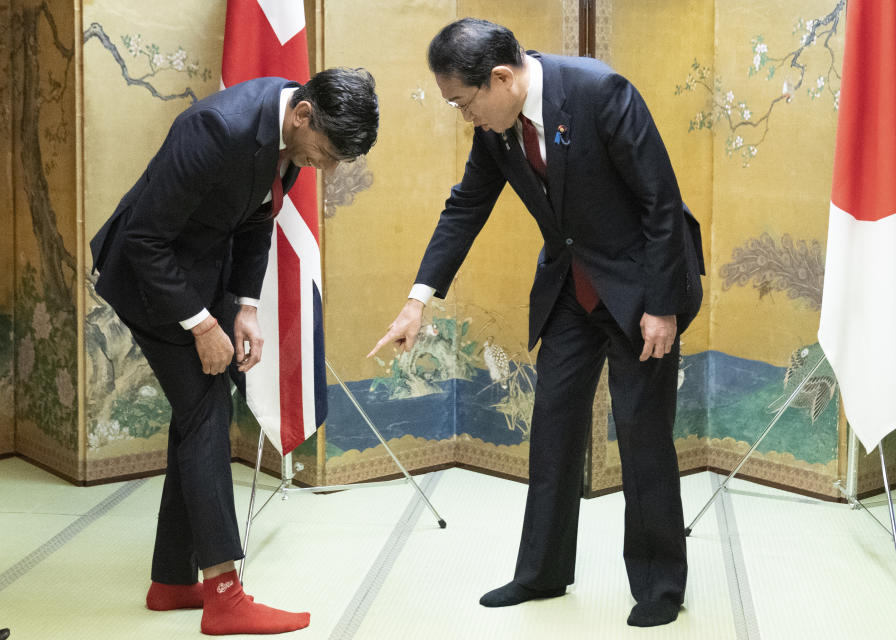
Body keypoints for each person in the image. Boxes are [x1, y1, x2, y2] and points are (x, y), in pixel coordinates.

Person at [368, 19, 703, 628]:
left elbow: (661, 200)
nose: (464, 117)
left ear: (501, 78)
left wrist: (662, 306)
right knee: (550, 425)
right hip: (570, 287)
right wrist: (418, 300)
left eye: (464, 104)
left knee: (641, 433)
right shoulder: (499, 127)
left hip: (639, 287)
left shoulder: (602, 92)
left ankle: (659, 585)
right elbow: (466, 204)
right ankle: (542, 573)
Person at [91, 68, 378, 635]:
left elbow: (256, 221)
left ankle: (173, 582)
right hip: (147, 279)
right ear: (303, 116)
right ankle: (223, 595)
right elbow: (144, 239)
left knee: (197, 415)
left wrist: (244, 306)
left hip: (200, 271)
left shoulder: (292, 133)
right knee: (205, 414)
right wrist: (202, 325)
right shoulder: (215, 129)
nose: (327, 168)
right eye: (325, 152)